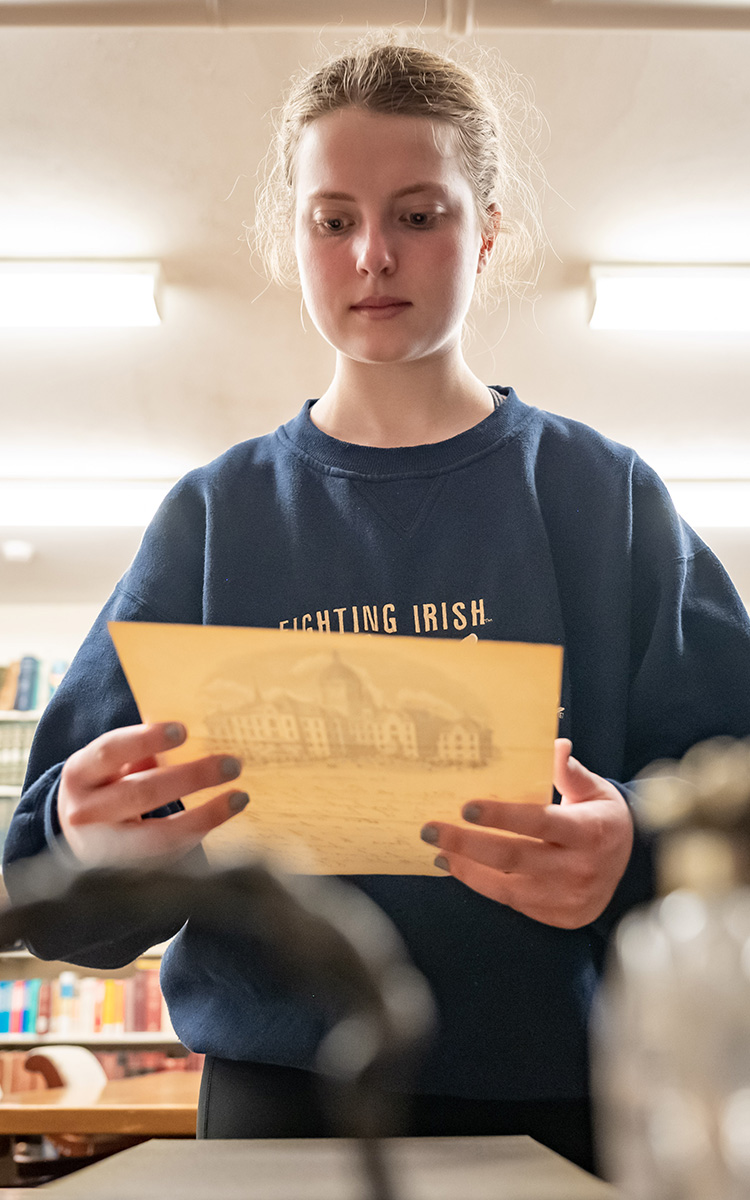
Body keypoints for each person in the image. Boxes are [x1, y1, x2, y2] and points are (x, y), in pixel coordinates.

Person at [4, 34, 750, 1176]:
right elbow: (47, 885)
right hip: (273, 1107)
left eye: (419, 214)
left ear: (486, 231)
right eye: (333, 219)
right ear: (293, 236)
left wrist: (633, 848)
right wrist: (84, 835)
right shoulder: (213, 517)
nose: (372, 256)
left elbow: (729, 793)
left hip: (553, 1106)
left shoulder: (603, 498)